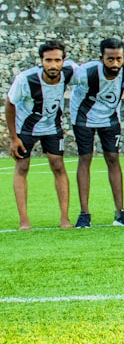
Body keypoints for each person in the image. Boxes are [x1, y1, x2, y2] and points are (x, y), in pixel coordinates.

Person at [66, 37, 124, 228]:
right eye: (110, 59)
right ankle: (84, 214)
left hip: (110, 119)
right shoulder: (86, 73)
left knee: (113, 159)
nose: (115, 63)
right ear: (101, 58)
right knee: (85, 159)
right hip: (83, 118)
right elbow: (65, 72)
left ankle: (120, 213)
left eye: (119, 58)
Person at [5, 40, 74, 230]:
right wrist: (13, 138)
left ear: (63, 61)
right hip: (26, 128)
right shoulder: (26, 79)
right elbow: (10, 104)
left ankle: (65, 218)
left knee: (58, 165)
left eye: (57, 60)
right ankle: (24, 221)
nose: (53, 65)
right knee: (22, 167)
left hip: (52, 127)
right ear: (41, 61)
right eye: (48, 60)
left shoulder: (70, 73)